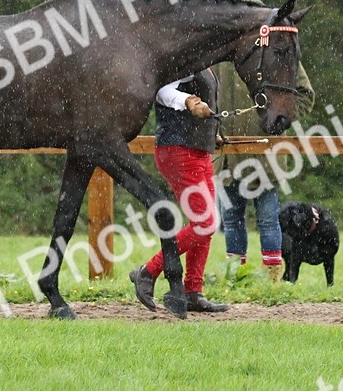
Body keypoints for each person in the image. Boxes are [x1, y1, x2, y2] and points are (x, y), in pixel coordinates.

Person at [129, 69, 228, 313]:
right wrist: (187, 101)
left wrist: (210, 133)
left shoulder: (205, 61)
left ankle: (193, 291)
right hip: (178, 149)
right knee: (205, 223)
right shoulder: (184, 55)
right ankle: (148, 271)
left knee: (205, 225)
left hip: (198, 148)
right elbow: (162, 91)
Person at [219, 45, 315, 281]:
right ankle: (235, 278)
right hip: (226, 155)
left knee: (268, 220)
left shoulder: (274, 45)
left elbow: (304, 94)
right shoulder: (218, 40)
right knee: (232, 220)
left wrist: (279, 120)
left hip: (265, 154)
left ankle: (271, 281)